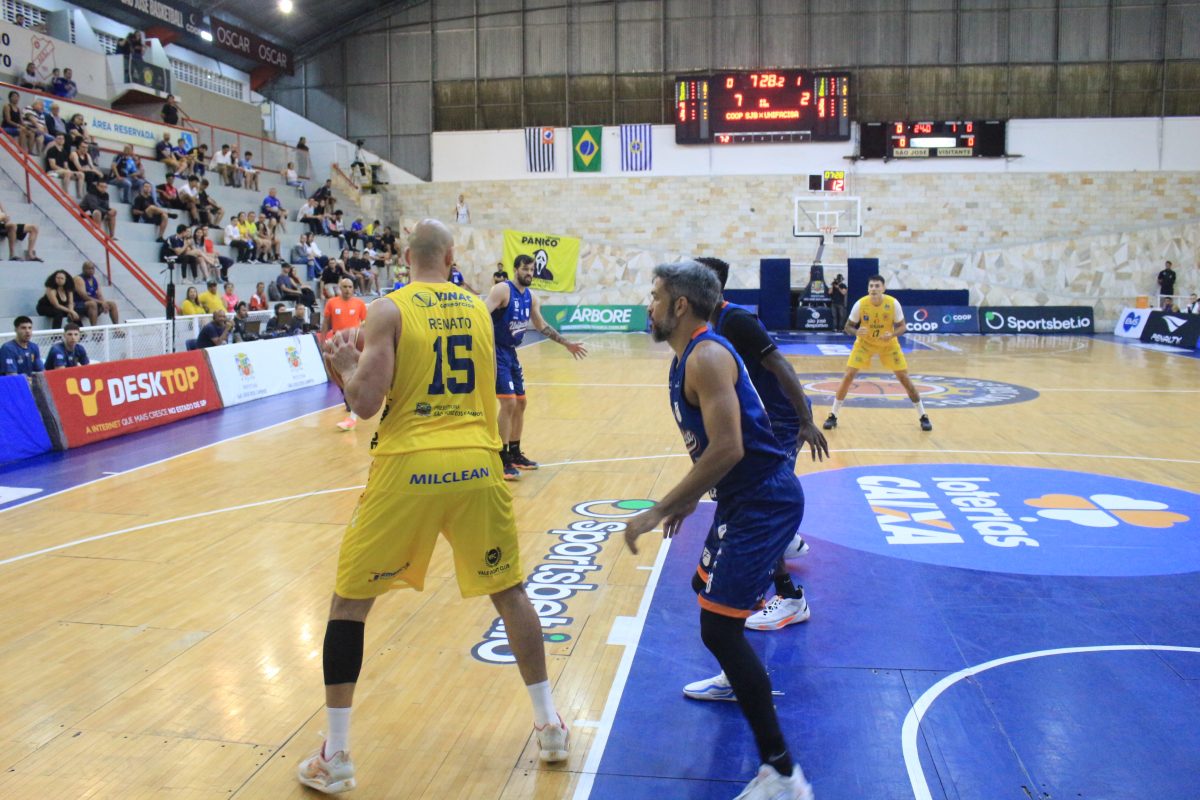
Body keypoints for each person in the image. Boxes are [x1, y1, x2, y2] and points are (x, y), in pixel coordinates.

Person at [302, 219, 569, 794]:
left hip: (409, 468)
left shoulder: (389, 310)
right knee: (510, 593)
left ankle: (337, 754)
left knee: (349, 606)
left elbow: (365, 404)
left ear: (405, 257)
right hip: (478, 463)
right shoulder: (478, 307)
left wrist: (343, 367)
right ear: (451, 257)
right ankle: (550, 724)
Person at [622, 260, 814, 800]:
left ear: (680, 305)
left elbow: (729, 447)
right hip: (742, 497)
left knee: (719, 629)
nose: (649, 305)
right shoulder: (685, 355)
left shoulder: (706, 356)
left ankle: (783, 774)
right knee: (706, 594)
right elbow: (713, 447)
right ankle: (736, 676)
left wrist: (661, 507)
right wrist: (691, 499)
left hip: (763, 500)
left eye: (656, 296)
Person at [692, 257, 827, 633]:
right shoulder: (714, 323)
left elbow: (781, 364)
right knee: (760, 500)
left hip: (782, 420)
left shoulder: (736, 320)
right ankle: (786, 542)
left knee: (763, 503)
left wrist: (805, 420)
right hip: (766, 419)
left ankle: (790, 597)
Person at [485, 254, 588, 479]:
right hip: (497, 352)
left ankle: (514, 452)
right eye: (525, 269)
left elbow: (541, 325)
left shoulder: (531, 297)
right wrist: (484, 345)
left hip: (511, 353)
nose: (529, 273)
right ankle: (501, 457)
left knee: (521, 403)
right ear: (515, 269)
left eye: (532, 270)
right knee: (508, 402)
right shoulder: (502, 290)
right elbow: (481, 314)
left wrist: (567, 344)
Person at [822, 274, 932, 432]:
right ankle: (833, 415)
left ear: (883, 288)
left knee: (904, 378)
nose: (874, 289)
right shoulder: (861, 304)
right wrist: (857, 331)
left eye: (877, 286)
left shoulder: (893, 303)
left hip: (888, 344)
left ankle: (923, 415)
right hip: (865, 344)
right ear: (868, 289)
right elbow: (847, 327)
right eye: (871, 286)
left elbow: (902, 327)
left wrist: (892, 334)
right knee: (848, 375)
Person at [321, 278, 369, 431]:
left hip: (354, 344)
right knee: (337, 374)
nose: (348, 289)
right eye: (345, 287)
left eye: (350, 286)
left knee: (356, 375)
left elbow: (366, 324)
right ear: (339, 288)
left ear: (353, 288)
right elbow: (325, 323)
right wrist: (323, 340)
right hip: (336, 343)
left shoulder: (359, 303)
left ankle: (352, 408)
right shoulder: (332, 303)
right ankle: (349, 398)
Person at [74, 261, 120, 325]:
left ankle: (116, 327)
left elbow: (99, 295)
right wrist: (101, 302)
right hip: (79, 305)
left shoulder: (95, 279)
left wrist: (104, 303)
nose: (91, 271)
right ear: (83, 269)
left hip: (94, 304)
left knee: (112, 304)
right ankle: (94, 329)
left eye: (92, 269)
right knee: (92, 304)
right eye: (88, 269)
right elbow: (84, 297)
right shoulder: (78, 279)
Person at [43, 133, 84, 199]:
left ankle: (80, 195)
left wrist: (70, 171)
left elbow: (66, 166)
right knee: (67, 172)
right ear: (56, 140)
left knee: (81, 174)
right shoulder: (52, 150)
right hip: (51, 172)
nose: (61, 140)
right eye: (59, 138)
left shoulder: (64, 152)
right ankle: (65, 193)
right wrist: (65, 170)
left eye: (62, 138)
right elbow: (53, 166)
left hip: (62, 172)